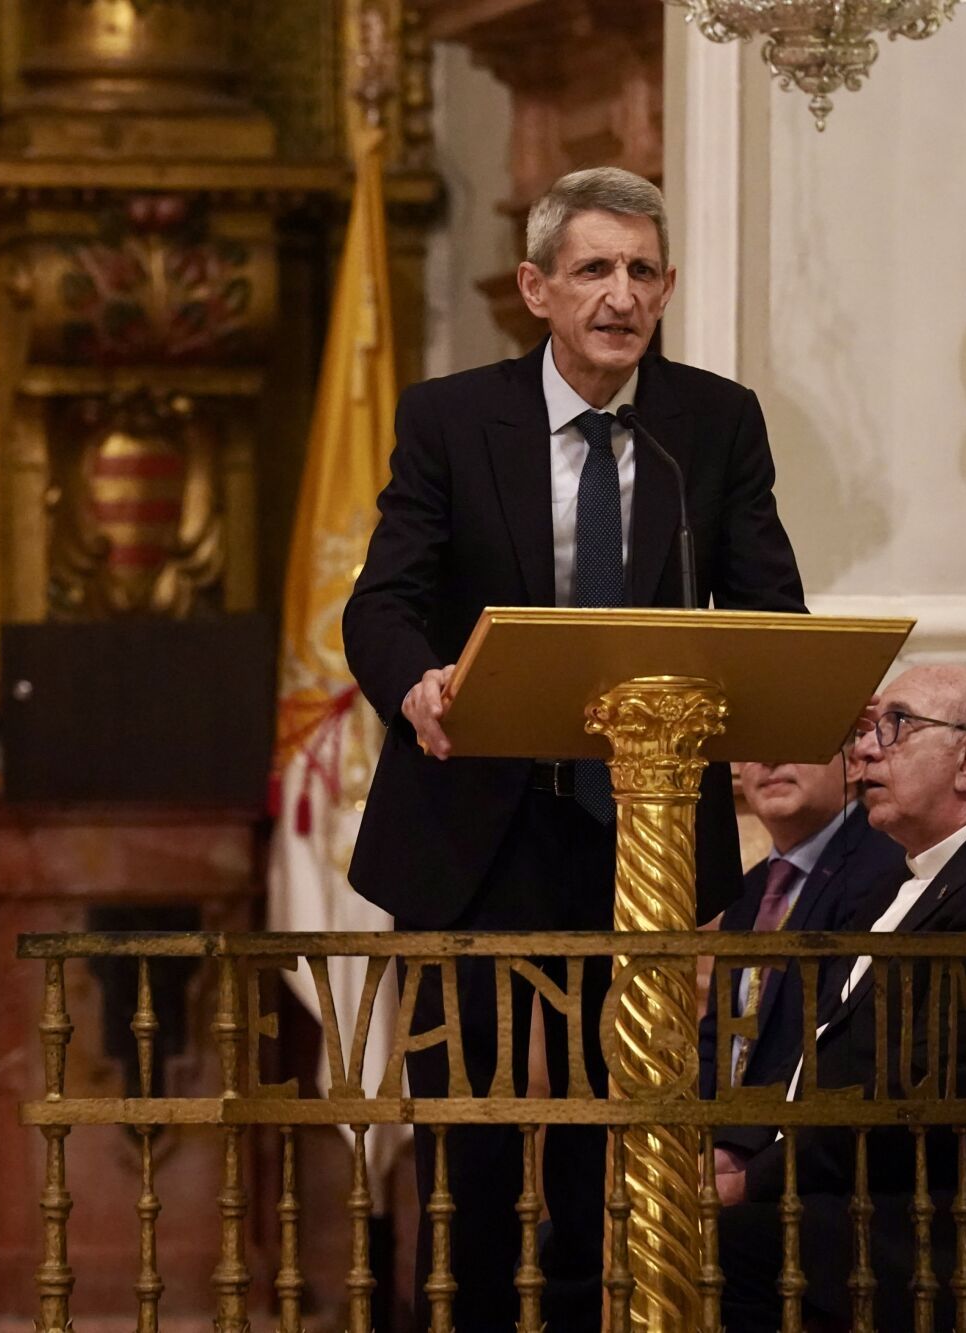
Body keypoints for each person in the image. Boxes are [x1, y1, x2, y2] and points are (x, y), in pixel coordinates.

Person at [342, 165, 804, 1330]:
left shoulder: (710, 422)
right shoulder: (452, 417)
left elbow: (767, 608)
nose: (620, 295)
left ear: (666, 288)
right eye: (594, 269)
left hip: (638, 835)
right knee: (477, 1142)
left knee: (629, 1130)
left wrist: (772, 694)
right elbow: (383, 604)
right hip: (476, 831)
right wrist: (414, 684)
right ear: (535, 286)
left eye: (642, 271)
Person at [717, 664, 966, 1333]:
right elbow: (828, 1051)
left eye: (894, 726)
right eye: (869, 730)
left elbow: (915, 1096)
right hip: (875, 1192)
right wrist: (739, 1147)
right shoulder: (902, 883)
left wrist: (753, 1181)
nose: (866, 748)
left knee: (722, 1247)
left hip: (948, 1226)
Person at [698, 756, 906, 1185]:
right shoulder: (748, 890)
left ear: (851, 758)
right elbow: (720, 1033)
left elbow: (835, 1037)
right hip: (723, 1150)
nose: (769, 760)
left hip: (812, 1164)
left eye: (795, 740)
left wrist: (737, 1146)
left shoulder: (883, 866)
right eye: (753, 746)